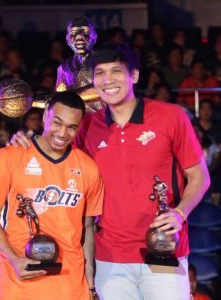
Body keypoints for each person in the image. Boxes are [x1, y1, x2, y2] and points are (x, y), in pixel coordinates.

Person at [11, 43, 210, 300]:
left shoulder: (171, 117)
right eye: (100, 73)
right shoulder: (88, 127)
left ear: (134, 75)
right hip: (110, 258)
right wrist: (25, 141)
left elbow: (199, 176)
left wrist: (179, 213)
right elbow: (54, 154)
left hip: (164, 252)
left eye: (116, 71)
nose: (108, 80)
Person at [0, 91, 104, 300]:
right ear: (46, 114)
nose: (63, 132)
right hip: (18, 284)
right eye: (57, 122)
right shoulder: (9, 156)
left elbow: (88, 228)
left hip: (70, 287)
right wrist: (13, 259)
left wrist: (90, 279)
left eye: (72, 127)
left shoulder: (89, 168)